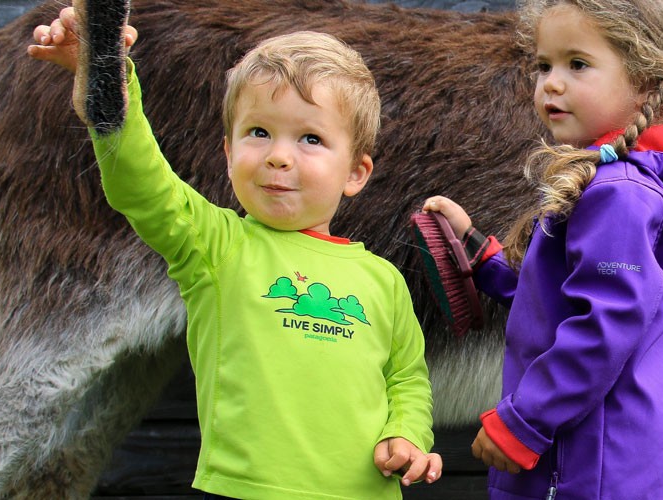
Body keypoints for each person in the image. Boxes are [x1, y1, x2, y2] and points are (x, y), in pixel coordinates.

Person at [28, 8, 442, 499]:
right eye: (259, 132)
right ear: (228, 154)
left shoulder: (383, 281)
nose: (278, 155)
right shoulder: (214, 246)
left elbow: (408, 381)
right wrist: (107, 82)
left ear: (355, 172)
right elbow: (141, 185)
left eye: (310, 138)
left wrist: (409, 436)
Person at [421, 0, 663, 497]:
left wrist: (523, 421)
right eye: (543, 65)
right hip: (621, 463)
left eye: (577, 64)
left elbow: (603, 327)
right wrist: (485, 259)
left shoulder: (619, 194)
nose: (550, 83)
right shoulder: (626, 184)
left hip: (590, 466)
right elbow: (567, 300)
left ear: (644, 82)